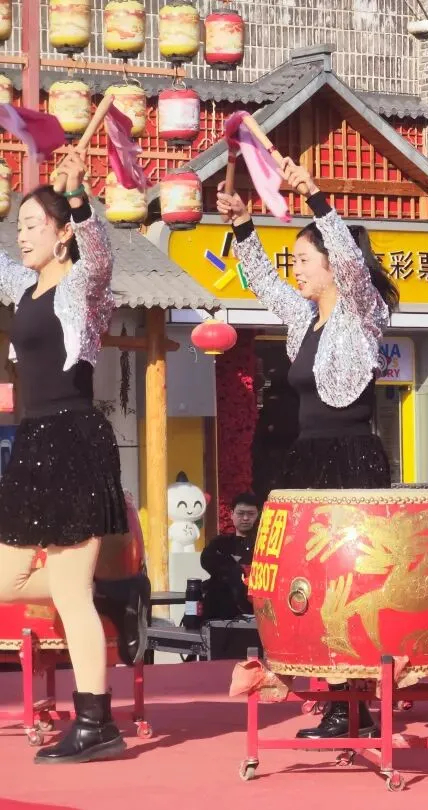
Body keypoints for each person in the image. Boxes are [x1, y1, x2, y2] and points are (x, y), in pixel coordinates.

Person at [217, 157, 398, 740]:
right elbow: (263, 283)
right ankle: (339, 695)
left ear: (332, 264)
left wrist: (317, 195)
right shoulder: (304, 319)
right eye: (294, 259)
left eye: (303, 259)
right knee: (311, 582)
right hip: (307, 459)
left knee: (350, 581)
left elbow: (351, 262)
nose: (294, 268)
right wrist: (242, 226)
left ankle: (358, 703)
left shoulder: (363, 311)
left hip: (351, 457)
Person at [0, 150, 130, 763]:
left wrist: (78, 198)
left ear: (61, 236)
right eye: (19, 226)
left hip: (74, 439)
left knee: (73, 594)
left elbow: (100, 256)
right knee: (9, 580)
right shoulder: (23, 287)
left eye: (33, 226)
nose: (22, 235)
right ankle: (110, 591)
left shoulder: (82, 287)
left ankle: (95, 722)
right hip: (33, 443)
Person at [200, 493, 261, 620]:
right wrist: (233, 568)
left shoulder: (265, 545)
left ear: (258, 515)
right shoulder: (220, 543)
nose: (245, 518)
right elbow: (206, 560)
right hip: (222, 610)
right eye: (240, 513)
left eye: (251, 514)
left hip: (256, 609)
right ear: (232, 514)